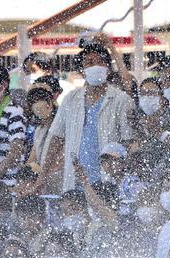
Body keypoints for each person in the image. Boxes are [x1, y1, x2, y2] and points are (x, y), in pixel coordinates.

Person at [36, 43, 134, 193]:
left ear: (108, 67)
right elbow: (56, 138)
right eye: (89, 62)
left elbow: (129, 142)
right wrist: (43, 175)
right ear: (82, 70)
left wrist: (120, 172)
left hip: (108, 182)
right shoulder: (71, 99)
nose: (94, 66)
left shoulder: (121, 100)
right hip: (75, 181)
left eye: (99, 62)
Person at [23, 86, 58, 172]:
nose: (36, 104)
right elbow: (33, 156)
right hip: (41, 178)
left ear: (49, 103)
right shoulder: (39, 130)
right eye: (33, 102)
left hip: (55, 177)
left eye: (39, 99)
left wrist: (44, 174)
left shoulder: (59, 128)